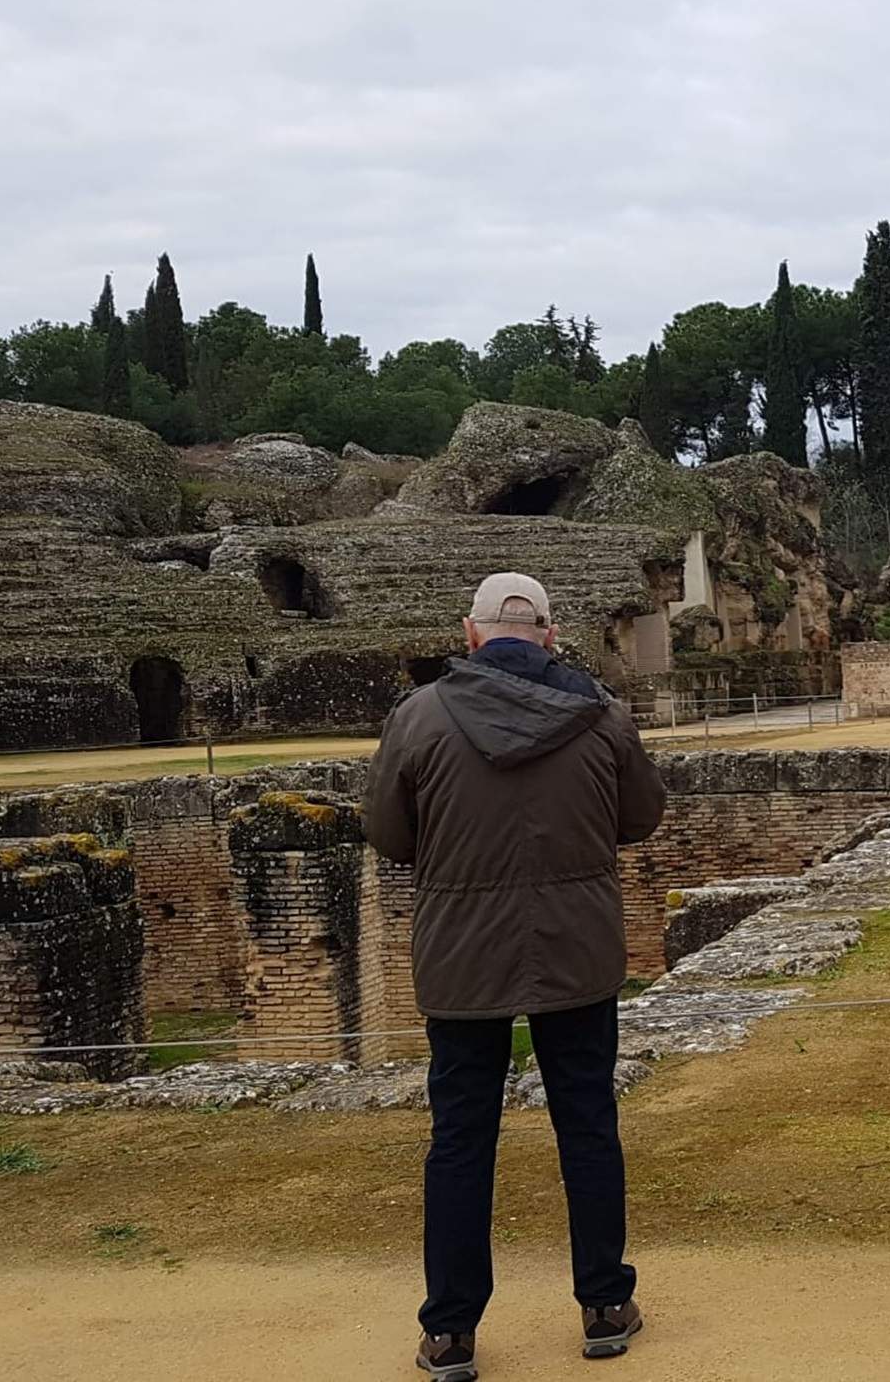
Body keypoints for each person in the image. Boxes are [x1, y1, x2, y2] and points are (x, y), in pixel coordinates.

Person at [365, 572, 665, 1382]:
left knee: (461, 1140)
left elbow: (390, 834)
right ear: (550, 634)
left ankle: (450, 1332)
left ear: (470, 635)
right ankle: (605, 1304)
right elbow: (641, 816)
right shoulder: (602, 716)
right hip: (577, 951)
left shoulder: (419, 717)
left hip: (462, 955)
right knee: (589, 1126)